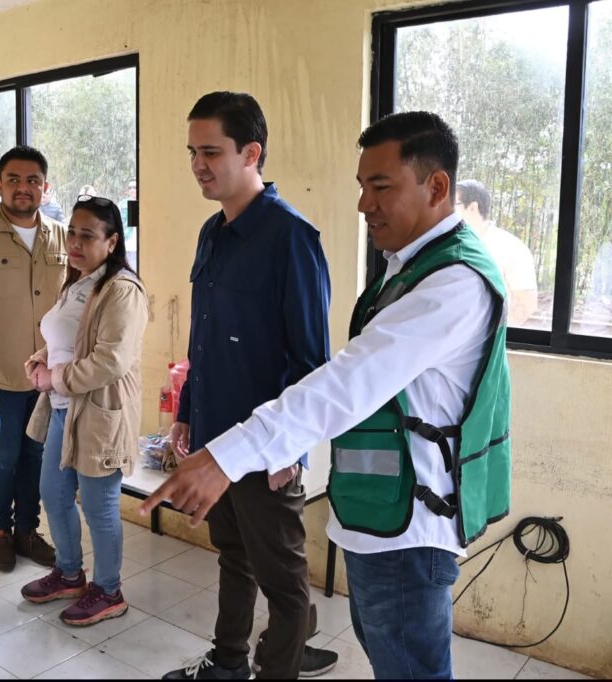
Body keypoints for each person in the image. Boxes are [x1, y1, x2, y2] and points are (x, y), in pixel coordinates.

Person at [142, 111, 512, 681]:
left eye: (380, 186)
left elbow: (342, 380)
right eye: (362, 187)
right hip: (376, 513)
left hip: (407, 530)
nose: (364, 205)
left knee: (400, 660)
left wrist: (233, 455)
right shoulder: (406, 269)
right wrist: (197, 420)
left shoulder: (452, 283)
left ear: (437, 186)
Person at [162, 91, 336, 681]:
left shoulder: (291, 237)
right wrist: (188, 410)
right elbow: (203, 339)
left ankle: (278, 669)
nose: (198, 165)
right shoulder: (212, 232)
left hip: (266, 448)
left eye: (211, 152)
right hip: (216, 439)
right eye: (192, 152)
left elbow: (311, 359)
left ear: (251, 153)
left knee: (283, 582)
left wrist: (289, 448)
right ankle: (228, 662)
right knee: (233, 557)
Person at [18, 194, 148, 627]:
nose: (74, 242)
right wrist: (42, 358)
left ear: (112, 242)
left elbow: (111, 360)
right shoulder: (77, 281)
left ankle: (109, 591)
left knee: (98, 505)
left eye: (87, 235)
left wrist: (53, 377)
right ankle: (69, 574)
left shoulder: (121, 290)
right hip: (63, 408)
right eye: (72, 232)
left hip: (99, 411)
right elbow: (69, 338)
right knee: (53, 494)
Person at [0, 146, 68, 572]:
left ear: (45, 186)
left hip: (49, 376)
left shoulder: (62, 237)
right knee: (1, 459)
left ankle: (27, 530)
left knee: (36, 457)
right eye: (14, 180)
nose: (24, 188)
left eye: (33, 180)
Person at [456, 179, 538, 325]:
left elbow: (526, 303)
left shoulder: (511, 248)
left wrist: (495, 333)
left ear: (473, 208)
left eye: (452, 205)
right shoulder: (449, 244)